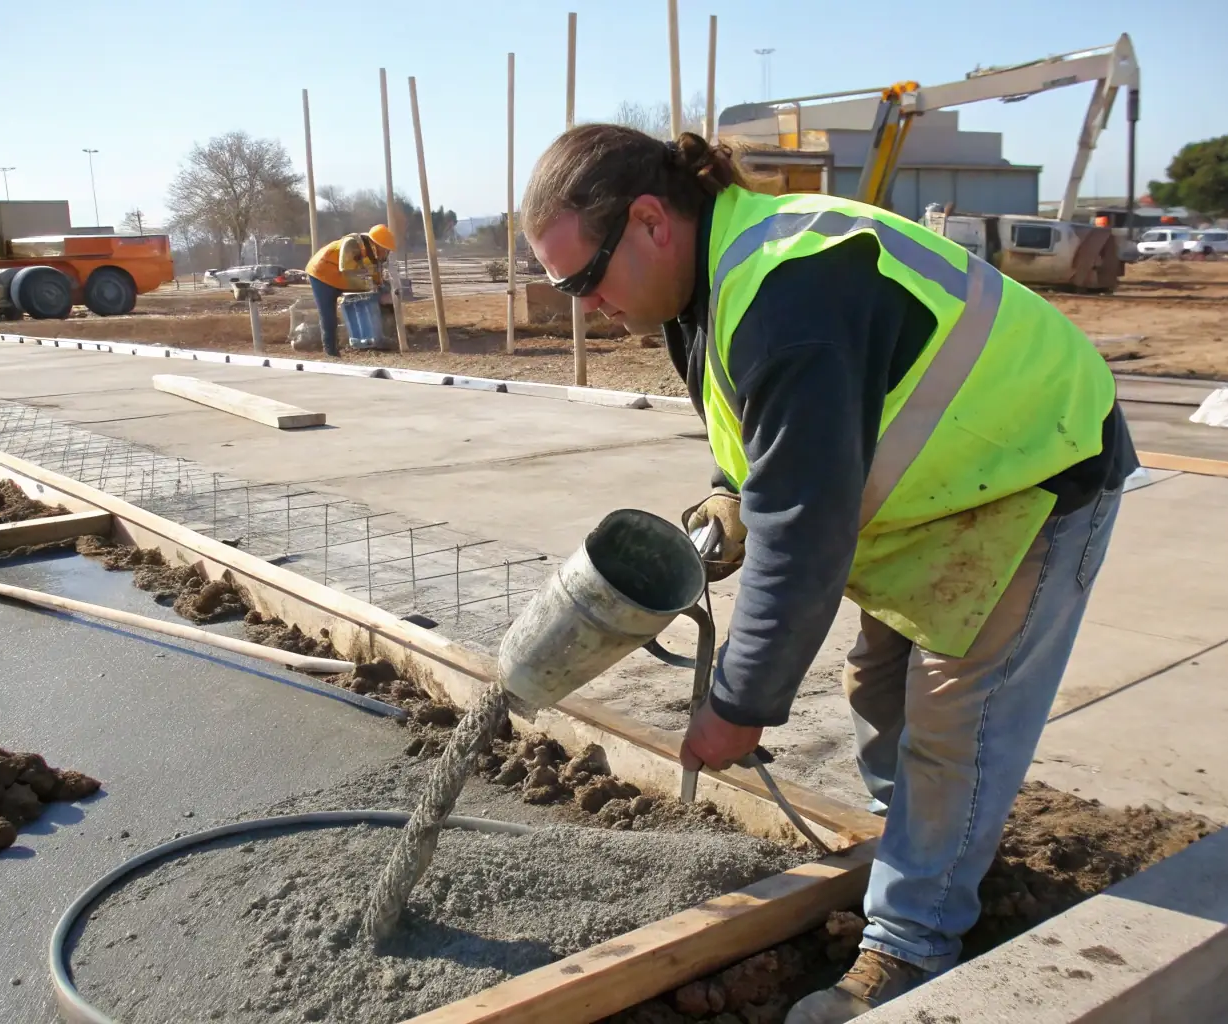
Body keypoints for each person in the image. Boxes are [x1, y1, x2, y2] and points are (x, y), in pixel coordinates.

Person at [521, 125, 1136, 1023]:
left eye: (584, 280)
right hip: (938, 493)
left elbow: (802, 544)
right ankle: (939, 846)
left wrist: (736, 706)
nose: (585, 305)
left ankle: (911, 943)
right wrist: (733, 493)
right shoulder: (705, 288)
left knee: (953, 725)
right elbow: (769, 441)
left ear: (650, 219)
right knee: (876, 687)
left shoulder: (788, 295)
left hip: (1032, 473)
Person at [304, 224, 396, 357]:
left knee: (378, 295)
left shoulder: (374, 255)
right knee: (328, 314)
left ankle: (376, 336)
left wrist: (381, 289)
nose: (387, 253)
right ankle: (331, 351)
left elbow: (376, 277)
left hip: (341, 278)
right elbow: (347, 272)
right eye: (386, 249)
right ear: (377, 244)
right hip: (321, 274)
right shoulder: (352, 244)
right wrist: (372, 288)